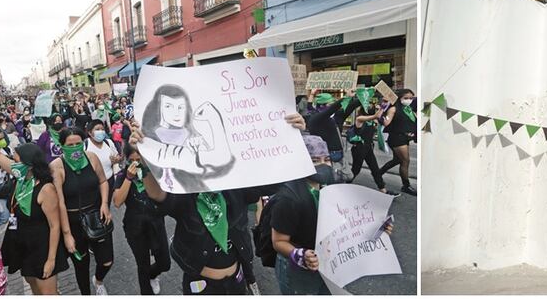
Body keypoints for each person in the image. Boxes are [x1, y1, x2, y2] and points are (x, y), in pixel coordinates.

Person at [129, 111, 307, 296]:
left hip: (237, 282)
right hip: (201, 286)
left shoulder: (237, 186)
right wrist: (145, 158)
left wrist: (292, 137)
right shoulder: (185, 192)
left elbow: (273, 181)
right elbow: (158, 195)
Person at [0, 127, 69, 295]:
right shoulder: (21, 177)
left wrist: (51, 259)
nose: (13, 162)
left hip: (41, 245)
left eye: (17, 159)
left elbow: (54, 226)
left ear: (29, 164)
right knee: (34, 286)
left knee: (48, 292)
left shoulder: (46, 189)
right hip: (22, 242)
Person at [51, 127, 114, 295]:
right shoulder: (57, 167)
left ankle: (98, 280)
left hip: (96, 216)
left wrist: (105, 204)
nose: (75, 147)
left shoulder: (91, 158)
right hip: (72, 222)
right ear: (62, 145)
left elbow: (102, 181)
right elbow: (60, 203)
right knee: (81, 265)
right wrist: (66, 234)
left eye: (78, 143)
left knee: (107, 260)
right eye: (70, 145)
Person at [270, 135, 335, 294]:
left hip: (329, 263)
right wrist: (301, 255)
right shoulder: (288, 198)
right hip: (299, 271)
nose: (323, 165)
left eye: (326, 159)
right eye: (314, 161)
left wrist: (378, 228)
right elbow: (278, 241)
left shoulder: (333, 187)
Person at [112, 143, 170, 295]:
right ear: (127, 160)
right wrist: (129, 178)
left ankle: (153, 274)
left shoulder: (153, 173)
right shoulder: (123, 175)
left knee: (165, 263)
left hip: (156, 222)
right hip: (135, 226)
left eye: (140, 159)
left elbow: (164, 196)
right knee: (142, 265)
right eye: (132, 160)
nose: (136, 163)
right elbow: (117, 201)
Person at [347, 88, 392, 194]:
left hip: (368, 147)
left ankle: (383, 190)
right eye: (369, 106)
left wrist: (384, 104)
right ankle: (344, 185)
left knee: (375, 168)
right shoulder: (360, 119)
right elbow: (376, 116)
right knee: (356, 170)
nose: (371, 106)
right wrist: (381, 107)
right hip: (359, 148)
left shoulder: (372, 120)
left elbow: (379, 118)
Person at [379, 89, 417, 196]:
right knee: (405, 161)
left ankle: (378, 173)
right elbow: (386, 122)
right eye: (406, 98)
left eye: (411, 98)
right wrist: (381, 109)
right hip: (396, 138)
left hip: (404, 138)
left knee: (397, 160)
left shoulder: (408, 109)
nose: (409, 100)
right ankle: (406, 185)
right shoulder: (394, 109)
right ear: (399, 98)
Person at [84, 119, 122, 193]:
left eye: (102, 129)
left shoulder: (109, 142)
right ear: (90, 132)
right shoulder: (85, 145)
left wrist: (117, 159)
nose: (101, 131)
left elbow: (118, 156)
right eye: (97, 129)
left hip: (109, 181)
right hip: (93, 184)